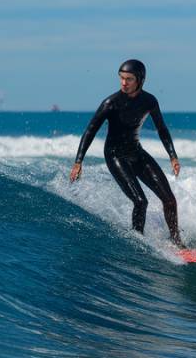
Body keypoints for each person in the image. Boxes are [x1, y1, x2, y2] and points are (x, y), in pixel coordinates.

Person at [70, 59, 184, 246]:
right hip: (115, 156)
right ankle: (137, 244)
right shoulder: (110, 103)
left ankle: (177, 241)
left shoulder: (149, 101)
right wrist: (78, 161)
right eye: (121, 78)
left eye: (129, 79)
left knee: (169, 200)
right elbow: (90, 130)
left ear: (140, 80)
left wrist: (173, 156)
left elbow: (161, 129)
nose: (124, 83)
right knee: (141, 202)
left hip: (136, 153)